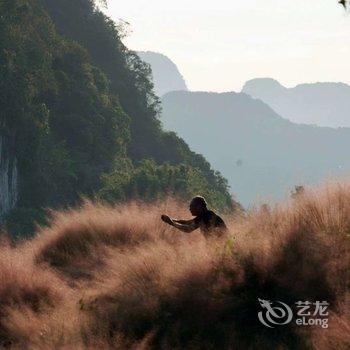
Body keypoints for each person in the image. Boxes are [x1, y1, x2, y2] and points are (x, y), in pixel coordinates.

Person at [161, 196, 227, 236]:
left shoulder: (207, 216)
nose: (190, 209)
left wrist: (172, 223)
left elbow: (188, 229)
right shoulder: (205, 215)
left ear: (199, 206)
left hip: (222, 248)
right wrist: (172, 220)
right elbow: (188, 222)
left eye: (192, 206)